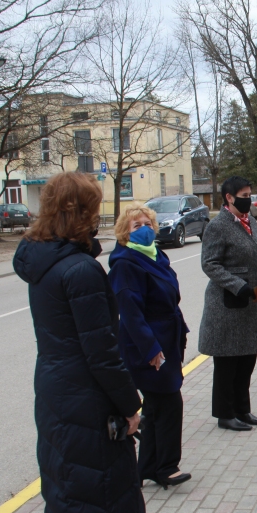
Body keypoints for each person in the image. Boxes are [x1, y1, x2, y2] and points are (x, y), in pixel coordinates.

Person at [13, 172, 146, 513]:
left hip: (57, 386)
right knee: (94, 484)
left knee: (76, 479)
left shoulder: (46, 260)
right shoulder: (79, 270)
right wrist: (130, 403)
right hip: (84, 390)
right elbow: (101, 351)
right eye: (93, 207)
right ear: (80, 212)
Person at [108, 205, 191, 490]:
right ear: (124, 232)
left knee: (156, 406)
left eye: (147, 223)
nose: (143, 228)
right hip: (148, 343)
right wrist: (151, 349)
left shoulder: (157, 255)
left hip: (167, 337)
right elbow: (130, 313)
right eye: (136, 225)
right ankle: (166, 467)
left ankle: (145, 468)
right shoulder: (125, 263)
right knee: (169, 403)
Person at [199, 176, 257, 431]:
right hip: (226, 304)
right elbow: (209, 264)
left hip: (251, 300)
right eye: (245, 195)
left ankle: (242, 409)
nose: (249, 199)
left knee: (247, 360)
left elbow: (254, 256)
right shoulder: (218, 225)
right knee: (227, 362)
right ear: (229, 198)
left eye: (250, 194)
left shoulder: (251, 222)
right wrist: (238, 285)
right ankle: (225, 414)